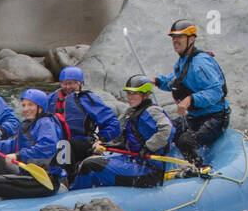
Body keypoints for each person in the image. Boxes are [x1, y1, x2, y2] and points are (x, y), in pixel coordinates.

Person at [70, 76, 175, 190]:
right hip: (133, 161)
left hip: (148, 170)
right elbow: (119, 134)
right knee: (88, 158)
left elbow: (168, 129)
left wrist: (148, 147)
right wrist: (104, 144)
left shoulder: (152, 111)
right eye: (128, 93)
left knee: (90, 165)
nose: (130, 97)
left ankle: (75, 194)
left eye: (134, 94)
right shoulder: (131, 112)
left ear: (145, 94)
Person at [154, 19, 229, 166]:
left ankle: (199, 169)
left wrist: (190, 100)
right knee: (165, 129)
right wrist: (155, 81)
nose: (175, 41)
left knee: (185, 141)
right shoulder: (184, 60)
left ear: (191, 39)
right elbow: (175, 80)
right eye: (173, 38)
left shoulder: (201, 63)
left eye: (180, 37)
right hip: (195, 117)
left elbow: (216, 91)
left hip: (215, 118)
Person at [0, 88, 67, 203]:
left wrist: (18, 156)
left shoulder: (45, 123)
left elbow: (47, 146)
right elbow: (13, 145)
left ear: (41, 107)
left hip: (45, 181)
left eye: (30, 105)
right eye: (23, 105)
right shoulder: (30, 124)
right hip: (30, 175)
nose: (25, 109)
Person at [43, 66, 121, 173]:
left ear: (81, 84)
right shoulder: (51, 99)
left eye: (71, 83)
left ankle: (65, 177)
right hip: (56, 143)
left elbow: (113, 123)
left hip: (81, 144)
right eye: (65, 83)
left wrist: (101, 140)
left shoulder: (87, 99)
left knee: (64, 144)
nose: (67, 87)